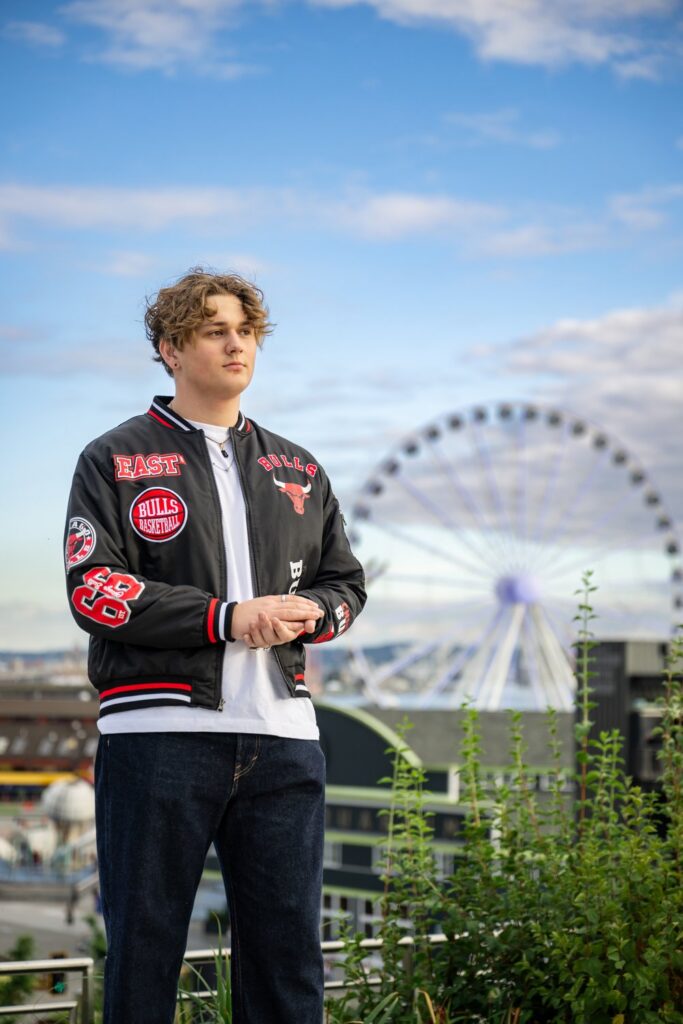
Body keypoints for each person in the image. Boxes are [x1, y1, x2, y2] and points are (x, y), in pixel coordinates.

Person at [63, 268, 366, 1024]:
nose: (236, 344)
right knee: (145, 954)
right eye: (213, 330)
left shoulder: (296, 465)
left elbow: (346, 584)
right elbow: (93, 588)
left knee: (289, 961)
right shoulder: (114, 460)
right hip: (159, 734)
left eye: (245, 331)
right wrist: (226, 617)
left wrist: (312, 613)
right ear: (169, 347)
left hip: (284, 737)